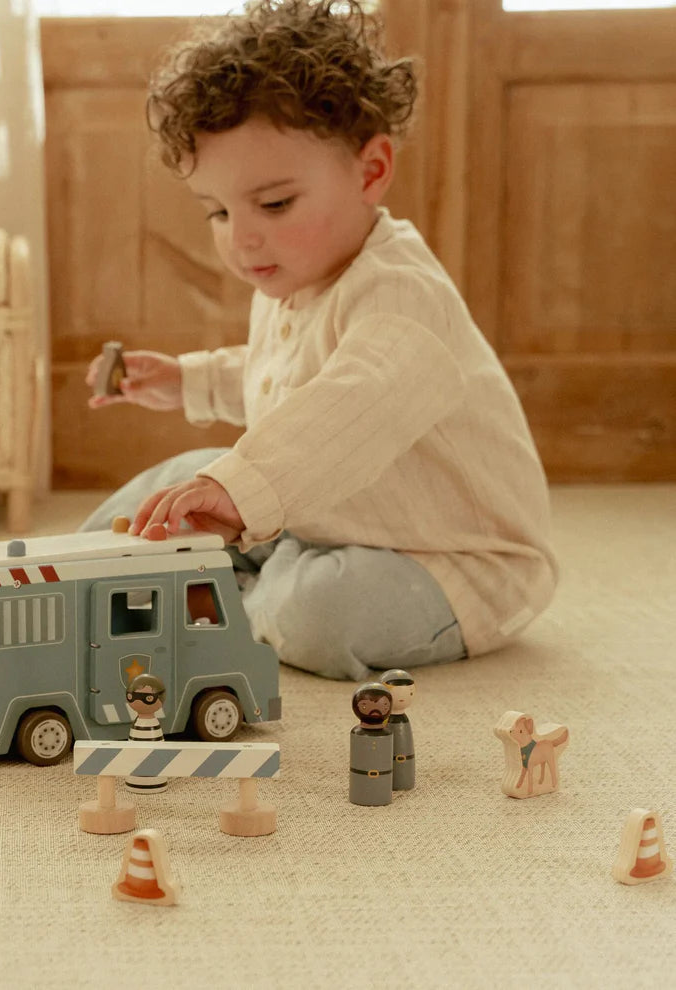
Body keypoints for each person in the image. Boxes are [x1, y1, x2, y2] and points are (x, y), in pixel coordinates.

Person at [83, 0, 557, 681]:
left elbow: (347, 404)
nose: (241, 239)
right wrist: (190, 381)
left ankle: (220, 600)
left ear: (370, 171)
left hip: (449, 561)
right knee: (171, 486)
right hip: (327, 520)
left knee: (315, 615)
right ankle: (48, 585)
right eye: (218, 211)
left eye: (274, 205)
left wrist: (240, 488)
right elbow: (284, 377)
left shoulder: (402, 297)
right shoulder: (297, 273)